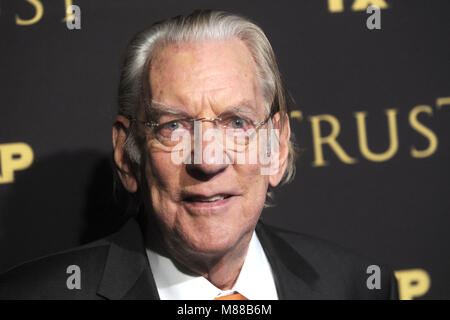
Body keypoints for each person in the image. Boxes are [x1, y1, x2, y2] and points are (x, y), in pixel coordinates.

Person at [0, 10, 398, 300]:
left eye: (237, 123)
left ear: (275, 148)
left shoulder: (358, 285)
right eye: (174, 126)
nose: (207, 161)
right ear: (126, 154)